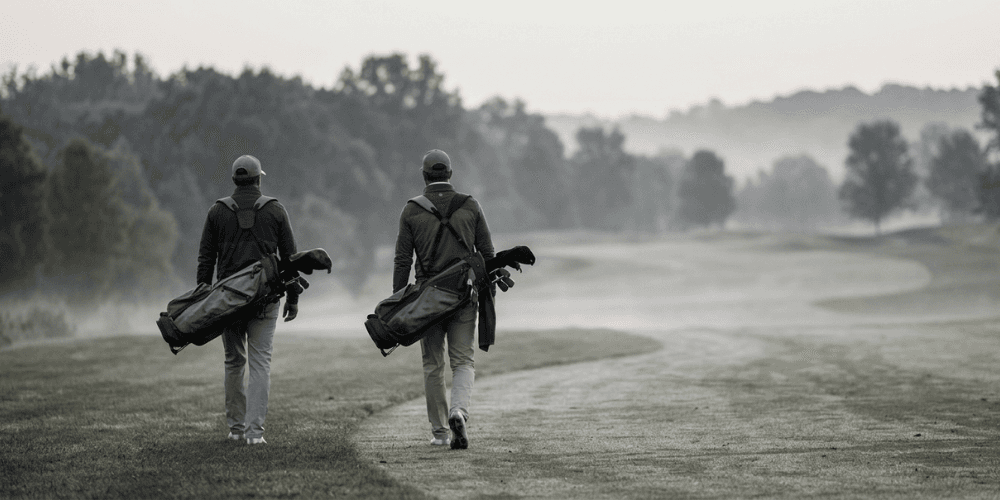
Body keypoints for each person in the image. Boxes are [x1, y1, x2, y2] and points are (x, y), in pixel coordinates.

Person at [393, 149, 496, 449]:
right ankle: (459, 411)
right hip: (464, 296)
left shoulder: (411, 210)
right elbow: (487, 255)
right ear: (450, 173)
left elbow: (402, 261)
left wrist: (400, 300)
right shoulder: (470, 205)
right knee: (463, 361)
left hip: (427, 300)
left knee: (433, 364)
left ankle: (439, 432)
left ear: (424, 176)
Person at [197, 154, 299, 445]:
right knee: (260, 363)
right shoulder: (276, 210)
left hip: (227, 302)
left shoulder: (217, 212)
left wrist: (203, 297)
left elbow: (206, 259)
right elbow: (291, 259)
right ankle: (255, 434)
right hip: (265, 300)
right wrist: (293, 298)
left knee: (233, 362)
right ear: (258, 179)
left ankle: (236, 429)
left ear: (234, 181)